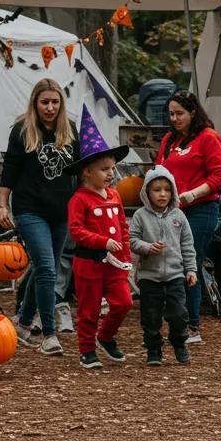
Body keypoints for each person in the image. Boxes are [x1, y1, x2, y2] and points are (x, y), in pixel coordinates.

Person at [0, 78, 78, 356]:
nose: (50, 107)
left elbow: (79, 171)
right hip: (30, 208)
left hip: (60, 210)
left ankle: (21, 322)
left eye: (55, 102)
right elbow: (10, 168)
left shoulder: (69, 130)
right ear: (35, 102)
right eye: (45, 102)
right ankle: (48, 333)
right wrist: (2, 204)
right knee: (46, 267)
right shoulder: (22, 130)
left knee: (46, 269)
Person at [155, 90, 221, 344]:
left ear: (193, 112)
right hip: (170, 210)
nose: (174, 118)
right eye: (171, 114)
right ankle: (177, 320)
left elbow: (220, 177)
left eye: (180, 114)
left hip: (200, 210)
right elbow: (158, 172)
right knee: (168, 264)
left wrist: (192, 194)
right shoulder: (169, 141)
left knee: (189, 263)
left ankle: (192, 326)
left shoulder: (209, 138)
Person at [66, 105, 133, 371]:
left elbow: (122, 227)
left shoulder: (115, 195)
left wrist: (126, 257)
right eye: (105, 169)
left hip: (115, 263)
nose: (111, 174)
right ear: (86, 172)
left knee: (124, 302)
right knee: (89, 308)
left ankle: (106, 336)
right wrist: (101, 241)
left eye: (112, 168)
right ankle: (86, 350)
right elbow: (76, 231)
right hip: (89, 263)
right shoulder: (79, 199)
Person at [129, 166, 197, 366]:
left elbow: (187, 244)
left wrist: (191, 269)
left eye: (167, 190)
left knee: (178, 314)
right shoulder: (141, 216)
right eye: (157, 190)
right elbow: (132, 240)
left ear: (173, 192)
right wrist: (147, 247)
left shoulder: (178, 216)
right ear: (146, 193)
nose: (162, 194)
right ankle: (153, 349)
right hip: (149, 276)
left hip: (175, 275)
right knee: (151, 316)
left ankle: (179, 343)